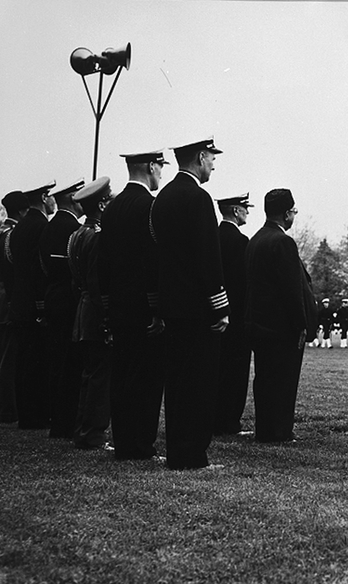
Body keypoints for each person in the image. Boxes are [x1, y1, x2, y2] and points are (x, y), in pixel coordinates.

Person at [150, 137, 228, 470]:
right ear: (199, 157)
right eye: (211, 157)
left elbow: (155, 255)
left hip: (172, 305)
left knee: (178, 382)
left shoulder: (162, 198)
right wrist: (219, 306)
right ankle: (193, 454)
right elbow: (208, 257)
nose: (213, 163)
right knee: (199, 382)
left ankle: (177, 450)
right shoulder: (198, 198)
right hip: (198, 308)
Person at [98, 150, 168, 460]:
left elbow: (104, 261)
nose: (161, 174)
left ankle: (124, 441)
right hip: (143, 305)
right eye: (160, 168)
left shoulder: (111, 209)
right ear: (151, 166)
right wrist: (156, 307)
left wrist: (106, 303)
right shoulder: (150, 207)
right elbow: (154, 261)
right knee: (147, 377)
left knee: (122, 374)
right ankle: (141, 444)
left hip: (118, 303)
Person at [244, 188, 317, 443]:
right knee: (284, 381)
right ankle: (279, 431)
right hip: (281, 327)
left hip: (258, 323)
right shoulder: (283, 242)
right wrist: (301, 324)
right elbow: (291, 289)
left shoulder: (255, 240)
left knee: (264, 380)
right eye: (294, 211)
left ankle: (265, 429)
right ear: (287, 213)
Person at [8, 180, 57, 429]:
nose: (53, 202)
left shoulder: (20, 227)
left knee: (24, 361)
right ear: (45, 197)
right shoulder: (40, 226)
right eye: (51, 197)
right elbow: (41, 268)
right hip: (35, 302)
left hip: (19, 302)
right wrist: (42, 304)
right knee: (38, 361)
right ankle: (38, 414)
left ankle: (27, 414)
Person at [69, 177, 113, 450]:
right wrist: (108, 319)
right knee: (99, 376)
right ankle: (93, 433)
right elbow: (99, 284)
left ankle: (84, 429)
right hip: (96, 312)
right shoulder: (98, 237)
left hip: (83, 310)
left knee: (89, 374)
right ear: (101, 204)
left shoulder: (77, 235)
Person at [39, 179, 85, 438]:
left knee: (56, 361)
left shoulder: (51, 227)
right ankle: (65, 422)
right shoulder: (70, 229)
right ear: (72, 199)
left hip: (53, 297)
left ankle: (58, 419)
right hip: (69, 300)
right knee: (70, 364)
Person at [0, 191, 28, 424]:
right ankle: (8, 411)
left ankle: (5, 408)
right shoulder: (11, 234)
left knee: (3, 356)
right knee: (8, 359)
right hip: (7, 299)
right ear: (22, 211)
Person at [215, 193, 253, 436]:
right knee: (236, 372)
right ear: (236, 211)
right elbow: (243, 283)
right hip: (236, 315)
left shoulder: (213, 236)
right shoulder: (240, 241)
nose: (247, 212)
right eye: (245, 208)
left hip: (215, 313)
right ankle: (230, 422)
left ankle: (215, 418)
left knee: (216, 371)